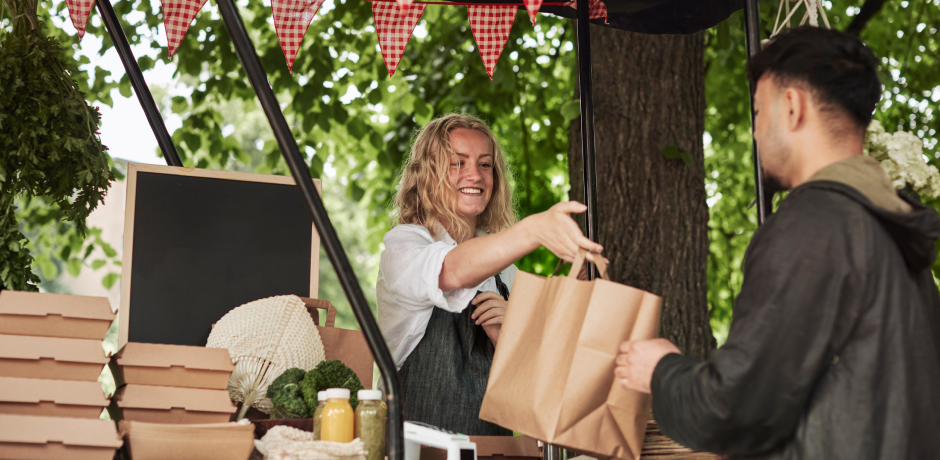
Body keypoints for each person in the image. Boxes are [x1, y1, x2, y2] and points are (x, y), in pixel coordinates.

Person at [614, 27, 940, 459]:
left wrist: (660, 369)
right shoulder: (894, 229)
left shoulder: (813, 225)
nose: (755, 132)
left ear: (791, 107)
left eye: (757, 112)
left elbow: (738, 410)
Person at [377, 113, 603, 435]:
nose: (475, 175)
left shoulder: (504, 272)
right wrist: (533, 231)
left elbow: (535, 384)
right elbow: (452, 270)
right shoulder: (405, 246)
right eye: (458, 163)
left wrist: (512, 328)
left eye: (485, 164)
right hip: (419, 451)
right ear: (428, 174)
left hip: (497, 450)